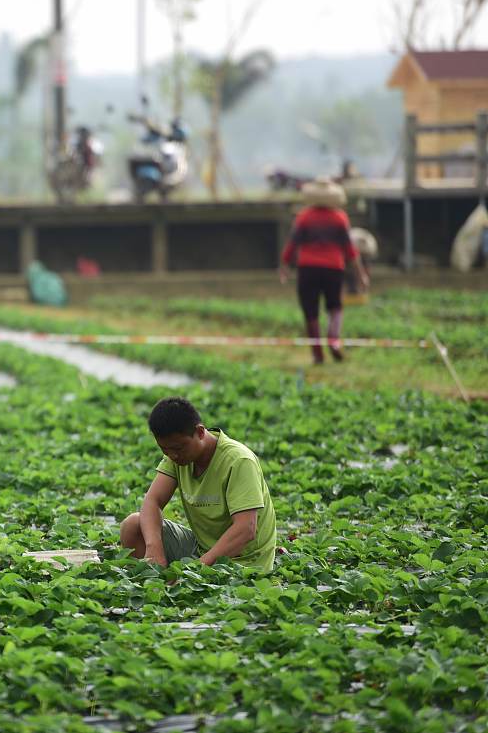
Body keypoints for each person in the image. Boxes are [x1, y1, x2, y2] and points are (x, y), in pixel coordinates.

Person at [119, 397, 277, 572]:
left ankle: (177, 584)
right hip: (201, 549)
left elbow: (246, 529)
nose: (173, 456)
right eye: (165, 450)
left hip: (243, 563)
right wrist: (154, 549)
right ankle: (157, 586)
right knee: (133, 525)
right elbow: (152, 501)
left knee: (192, 585)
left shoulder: (239, 461)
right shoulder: (176, 456)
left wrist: (195, 570)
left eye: (178, 448)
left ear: (200, 432)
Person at [278, 178, 370, 364]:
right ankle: (334, 340)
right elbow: (350, 250)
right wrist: (361, 274)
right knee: (334, 306)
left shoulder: (303, 217)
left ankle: (317, 352)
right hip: (333, 268)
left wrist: (285, 266)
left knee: (310, 309)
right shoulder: (340, 218)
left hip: (308, 268)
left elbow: (292, 245)